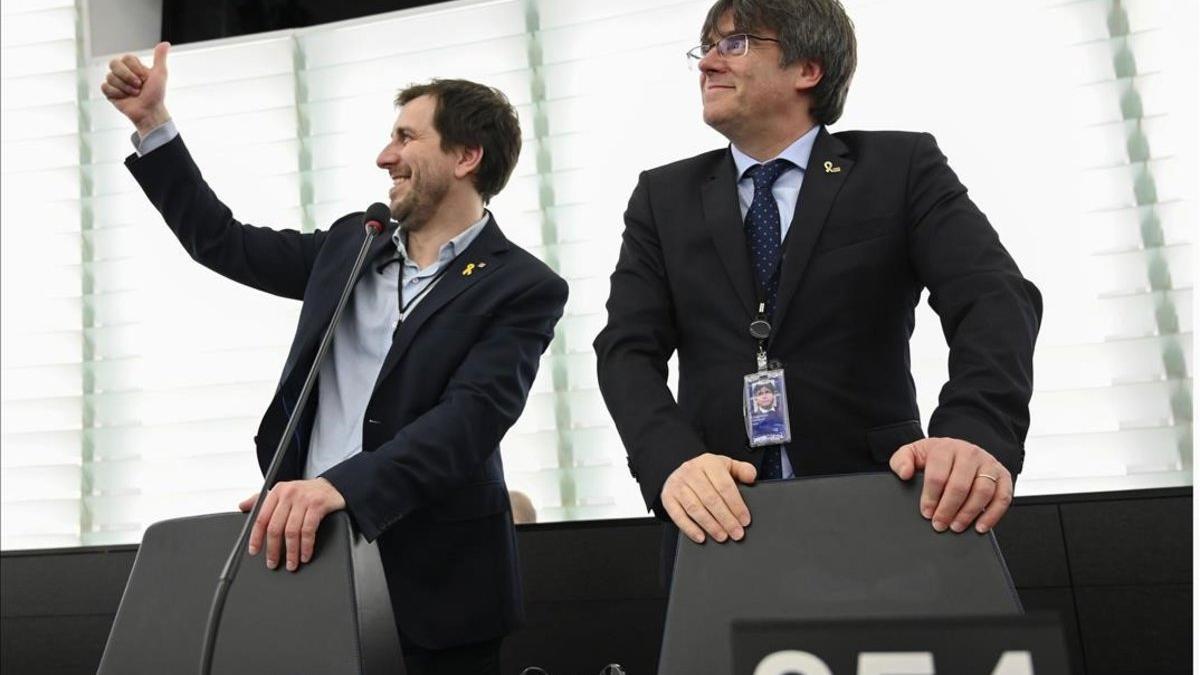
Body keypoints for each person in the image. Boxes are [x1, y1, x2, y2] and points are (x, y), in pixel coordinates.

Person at [102, 42, 568, 673]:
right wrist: (153, 125)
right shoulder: (356, 242)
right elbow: (223, 242)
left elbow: (469, 421)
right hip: (306, 553)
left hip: (439, 587)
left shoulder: (522, 285)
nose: (385, 157)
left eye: (406, 137)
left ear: (466, 156)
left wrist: (336, 488)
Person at [593, 0, 1042, 559]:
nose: (708, 63)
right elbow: (625, 350)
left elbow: (994, 298)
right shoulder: (662, 198)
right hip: (716, 516)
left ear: (809, 68)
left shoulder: (901, 167)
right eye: (704, 48)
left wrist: (973, 432)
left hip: (885, 503)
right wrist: (672, 462)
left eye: (733, 43)